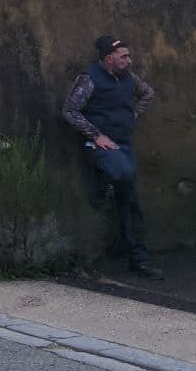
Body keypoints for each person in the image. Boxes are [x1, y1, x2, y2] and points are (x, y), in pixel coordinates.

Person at [62, 34, 162, 279]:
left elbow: (147, 93)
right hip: (101, 145)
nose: (129, 61)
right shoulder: (90, 79)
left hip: (124, 144)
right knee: (121, 172)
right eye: (123, 57)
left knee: (131, 200)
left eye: (128, 56)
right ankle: (102, 183)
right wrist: (96, 135)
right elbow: (70, 110)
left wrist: (132, 115)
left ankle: (138, 258)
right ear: (108, 59)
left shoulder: (129, 78)